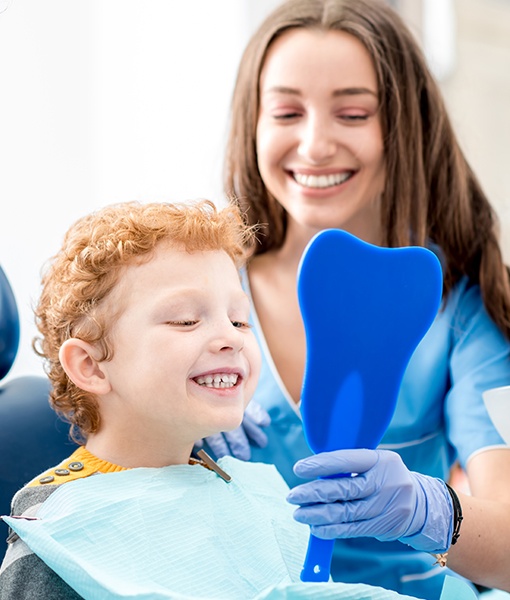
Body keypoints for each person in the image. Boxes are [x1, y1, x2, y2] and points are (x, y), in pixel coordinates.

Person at [207, 0, 510, 598]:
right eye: (287, 111)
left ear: (401, 126)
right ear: (253, 125)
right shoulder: (202, 289)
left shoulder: (460, 308)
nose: (315, 145)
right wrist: (169, 433)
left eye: (352, 113)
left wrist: (430, 511)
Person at [0, 200, 428, 600]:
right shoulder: (61, 529)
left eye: (240, 319)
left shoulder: (254, 492)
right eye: (186, 319)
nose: (230, 337)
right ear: (91, 366)